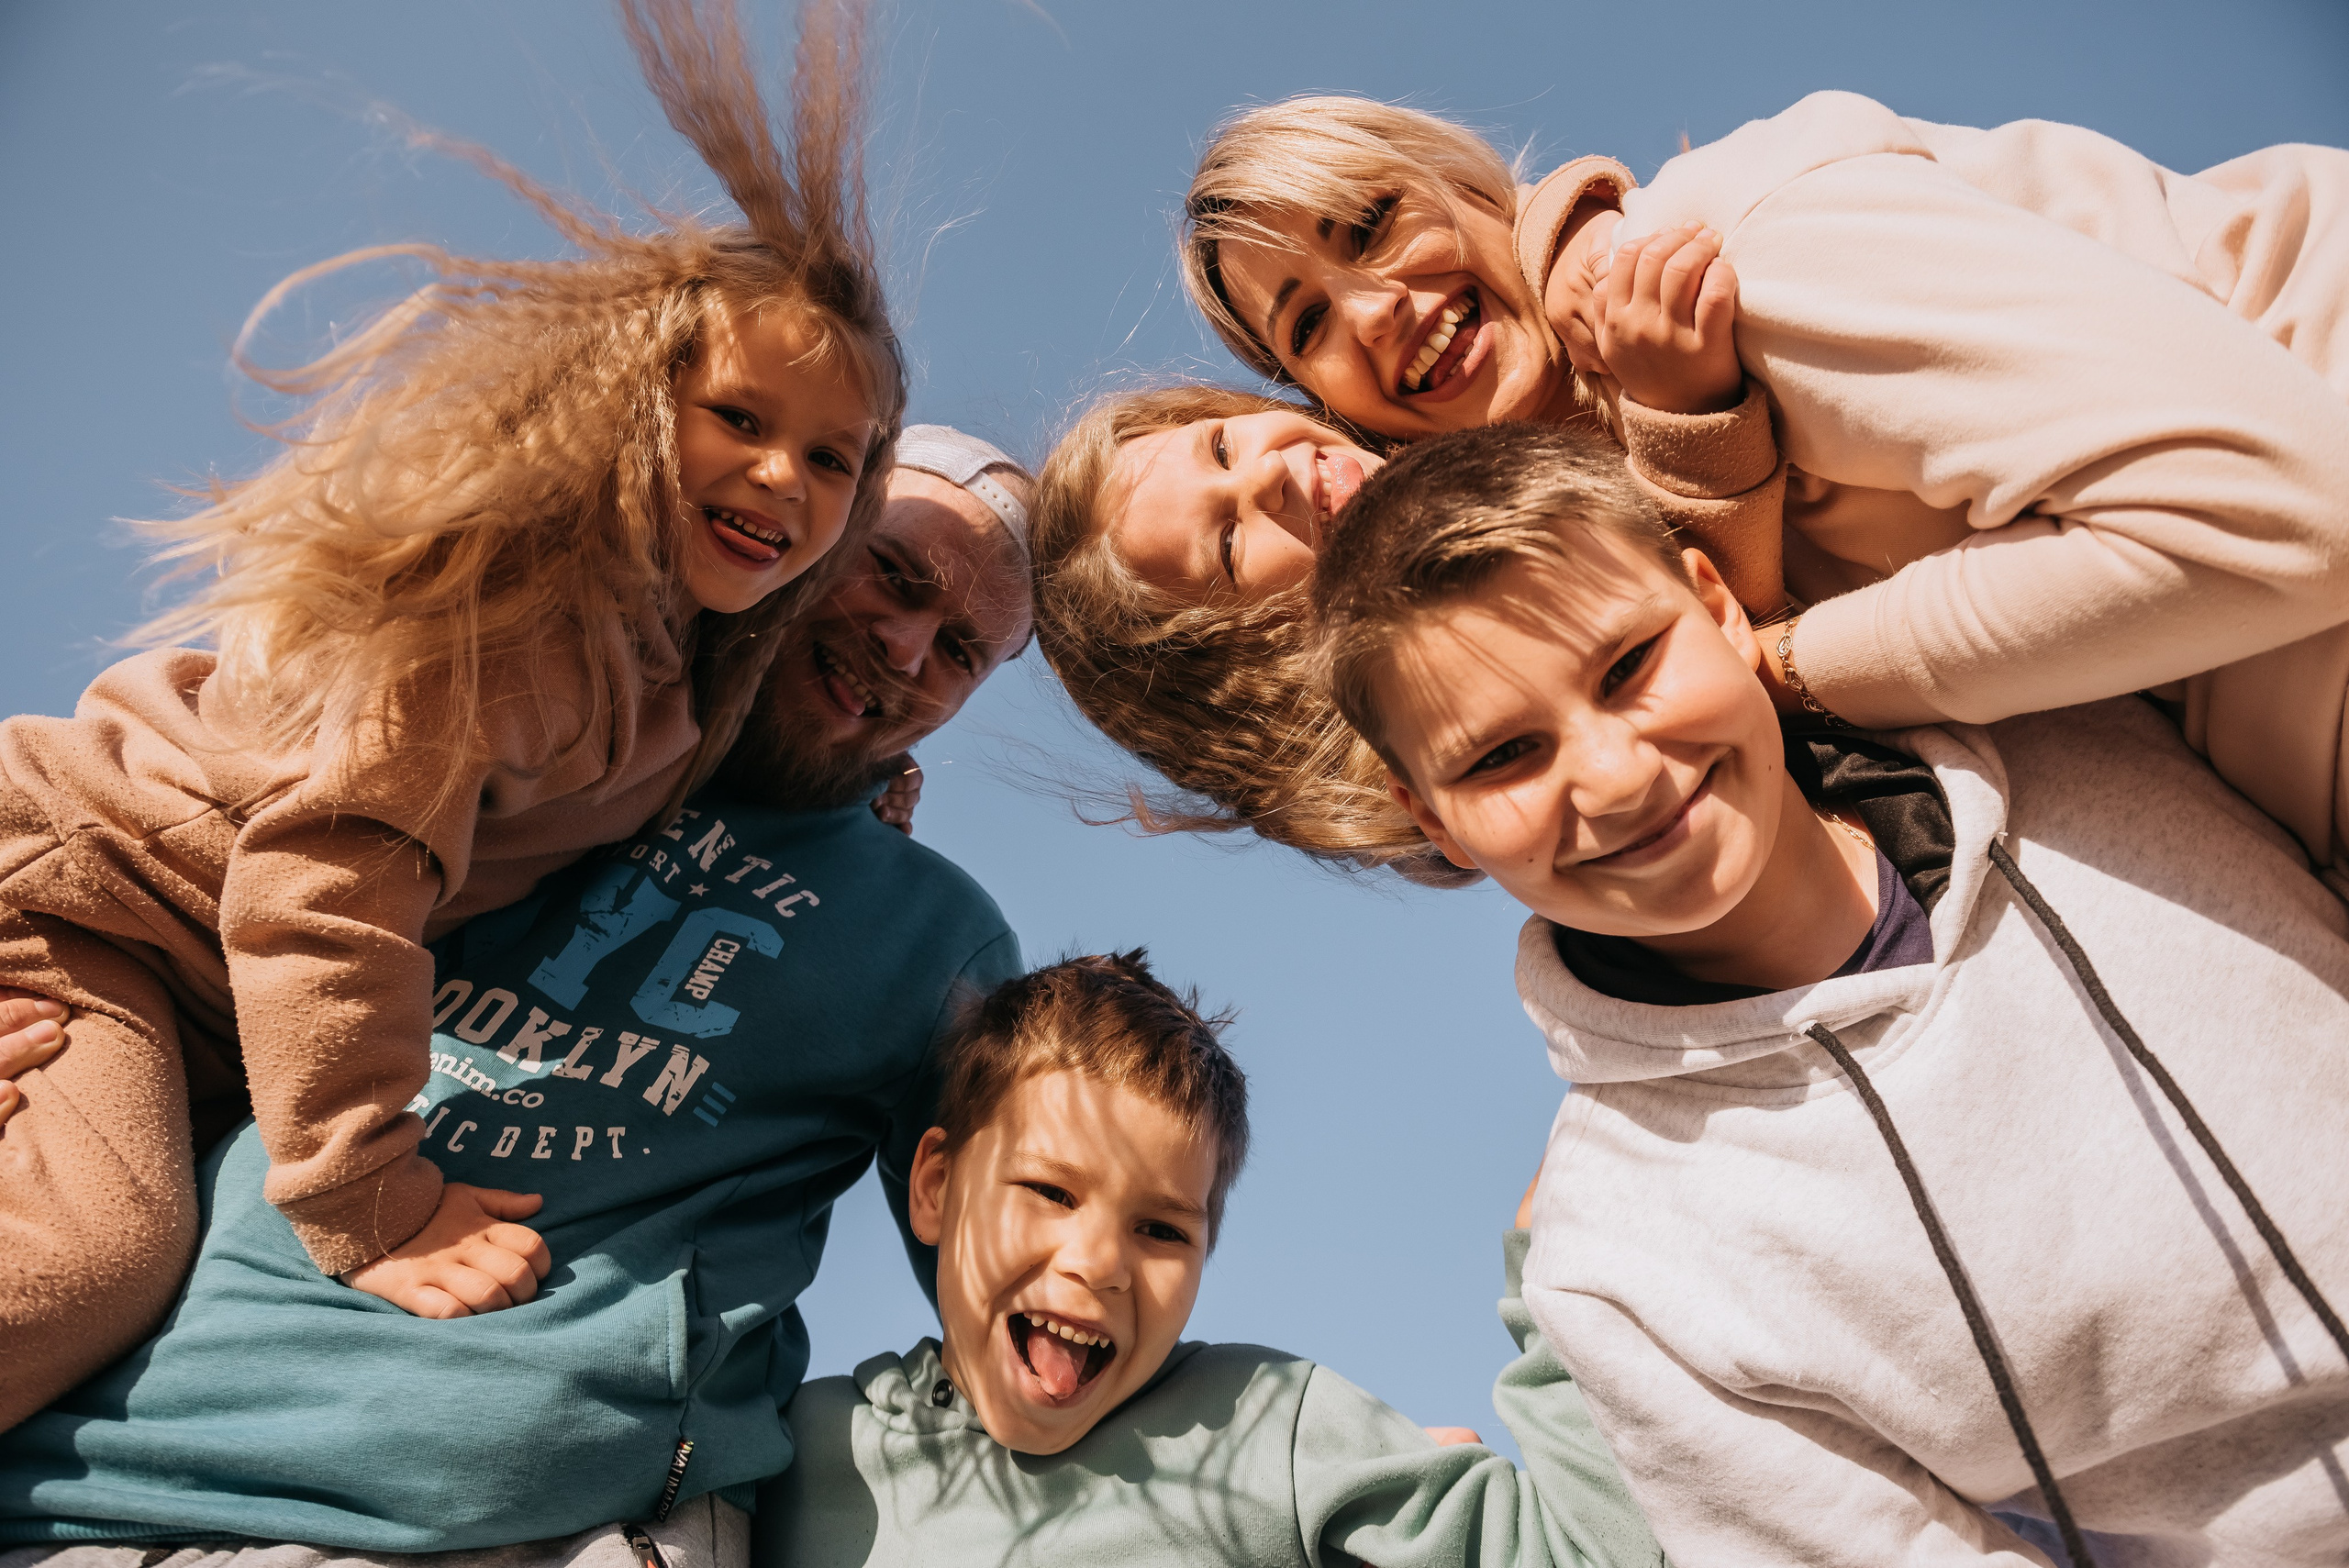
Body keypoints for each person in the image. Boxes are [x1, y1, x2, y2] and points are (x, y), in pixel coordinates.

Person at [0, 0, 906, 1430]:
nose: (786, 476)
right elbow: (321, 884)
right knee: (83, 1264)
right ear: (632, 403)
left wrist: (863, 785)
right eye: (742, 417)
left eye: (835, 458)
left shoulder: (680, 668)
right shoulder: (516, 621)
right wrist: (370, 1192)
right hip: (88, 899)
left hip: (193, 979)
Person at [1309, 420, 2349, 1566]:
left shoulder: (2060, 707)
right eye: (1502, 755)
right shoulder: (1619, 1268)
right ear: (1429, 816)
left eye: (1626, 667)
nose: (1615, 776)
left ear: (1713, 603)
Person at [0, 435, 1036, 1568]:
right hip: (81, 1481)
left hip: (517, 1521)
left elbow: (1028, 1260)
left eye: (961, 652)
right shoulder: (542, 705)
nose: (905, 647)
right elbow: (153, 857)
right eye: (895, 575)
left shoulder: (935, 936)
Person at [1183, 91, 2349, 889]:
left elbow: (2289, 511)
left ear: (1461, 184)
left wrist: (1789, 667)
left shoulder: (1728, 251)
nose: (1377, 309)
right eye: (1313, 321)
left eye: (1375, 226)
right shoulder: (1636, 488)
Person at [754, 951, 1667, 1568]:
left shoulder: (1276, 1428)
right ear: (936, 1187)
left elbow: (1586, 1553)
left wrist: (1561, 1292)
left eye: (1160, 1228)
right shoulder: (793, 1448)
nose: (1100, 1260)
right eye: (1051, 1191)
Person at [1026, 219, 1750, 880]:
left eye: (1221, 445)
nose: (1267, 475)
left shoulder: (1439, 412)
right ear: (1242, 658)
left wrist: (1570, 239)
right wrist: (1691, 422)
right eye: (1228, 542)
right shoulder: (1447, 732)